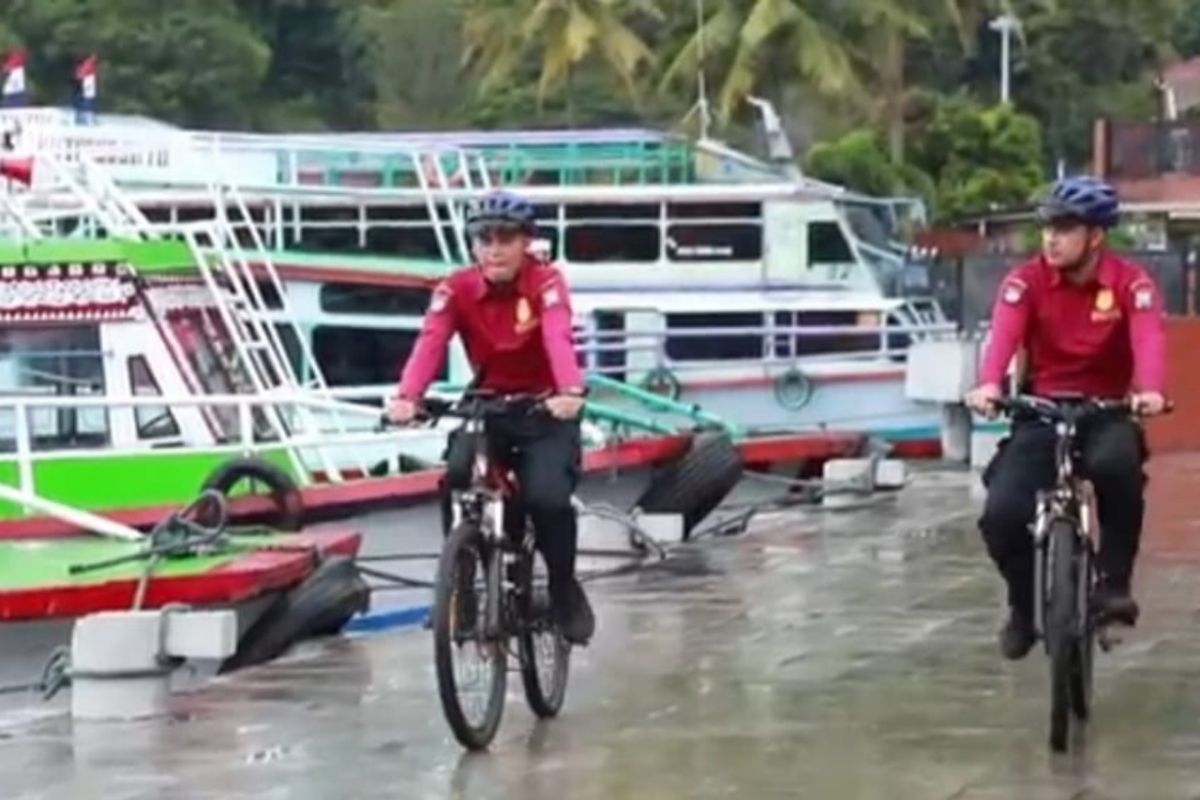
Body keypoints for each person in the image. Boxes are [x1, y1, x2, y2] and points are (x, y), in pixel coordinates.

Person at [964, 175, 1168, 661]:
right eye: (1046, 228)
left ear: (1095, 236)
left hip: (1106, 410)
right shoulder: (1025, 282)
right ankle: (1022, 606)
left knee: (1119, 470)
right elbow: (1004, 337)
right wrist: (990, 383)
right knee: (1001, 515)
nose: (1050, 239)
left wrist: (1151, 391)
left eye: (1064, 228)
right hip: (1042, 412)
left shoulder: (1130, 284)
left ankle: (1114, 586)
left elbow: (1149, 340)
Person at [387, 189, 595, 645]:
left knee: (547, 499)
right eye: (484, 238)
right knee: (456, 474)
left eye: (506, 238)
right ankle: (461, 588)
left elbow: (559, 337)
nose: (494, 248)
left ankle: (562, 586)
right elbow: (430, 341)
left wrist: (569, 390)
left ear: (527, 243)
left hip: (545, 408)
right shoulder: (456, 288)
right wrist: (407, 397)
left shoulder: (546, 284)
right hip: (488, 405)